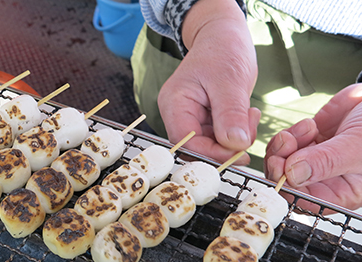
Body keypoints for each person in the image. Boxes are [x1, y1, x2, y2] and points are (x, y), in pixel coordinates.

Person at [132, 0, 362, 211]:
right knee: (164, 151)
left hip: (336, 108)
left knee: (279, 181)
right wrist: (207, 20)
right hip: (193, 42)